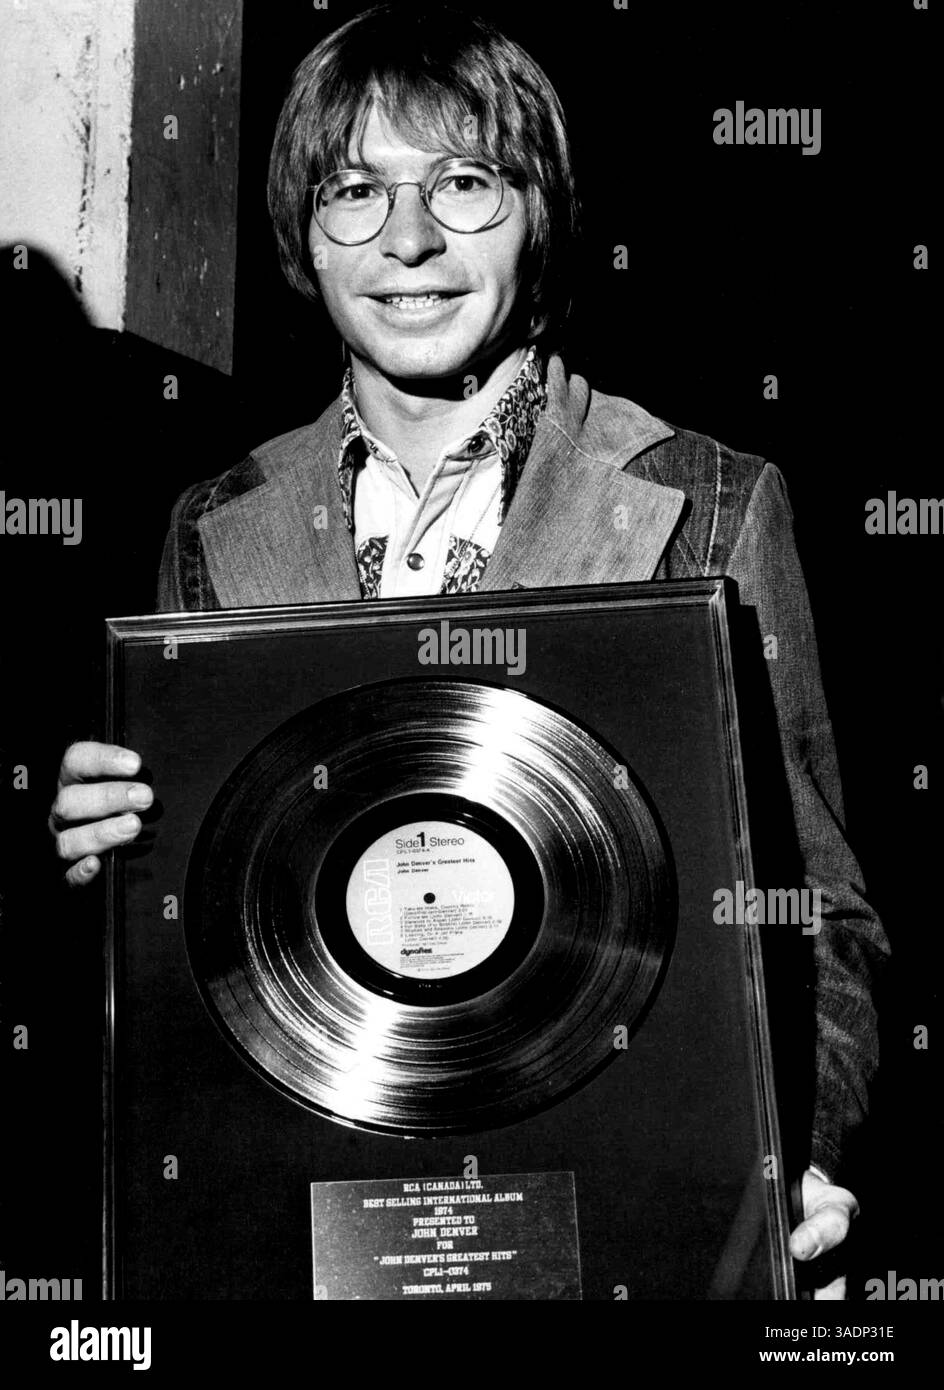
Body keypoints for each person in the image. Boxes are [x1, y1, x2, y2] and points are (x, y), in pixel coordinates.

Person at [48, 3, 888, 1298]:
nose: (409, 240)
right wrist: (112, 866)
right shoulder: (213, 527)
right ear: (301, 235)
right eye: (354, 191)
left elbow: (819, 917)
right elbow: (214, 964)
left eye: (464, 183)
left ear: (538, 210)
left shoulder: (718, 502)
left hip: (628, 1247)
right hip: (316, 1251)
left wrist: (784, 1165)